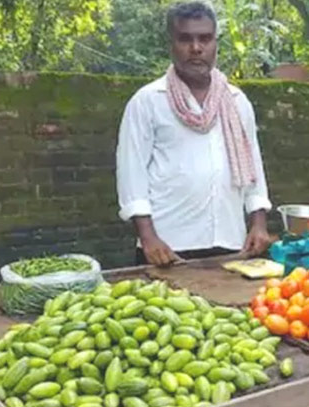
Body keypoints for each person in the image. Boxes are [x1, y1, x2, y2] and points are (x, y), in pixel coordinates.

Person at [115, 1, 272, 267]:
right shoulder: (148, 101)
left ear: (215, 43)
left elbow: (253, 166)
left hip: (231, 243)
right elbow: (131, 173)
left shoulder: (236, 101)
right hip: (166, 247)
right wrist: (148, 238)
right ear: (171, 44)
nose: (196, 48)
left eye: (205, 38)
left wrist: (258, 224)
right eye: (185, 39)